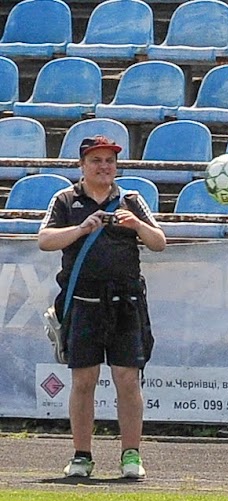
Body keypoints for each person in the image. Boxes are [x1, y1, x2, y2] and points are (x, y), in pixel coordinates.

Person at [38, 135, 166, 479]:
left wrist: (136, 225)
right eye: (97, 161)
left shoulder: (131, 199)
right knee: (83, 380)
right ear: (83, 165)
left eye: (110, 161)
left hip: (125, 302)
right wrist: (81, 229)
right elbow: (45, 240)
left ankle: (131, 456)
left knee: (128, 379)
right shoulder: (65, 199)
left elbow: (159, 242)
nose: (104, 167)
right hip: (83, 301)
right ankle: (82, 455)